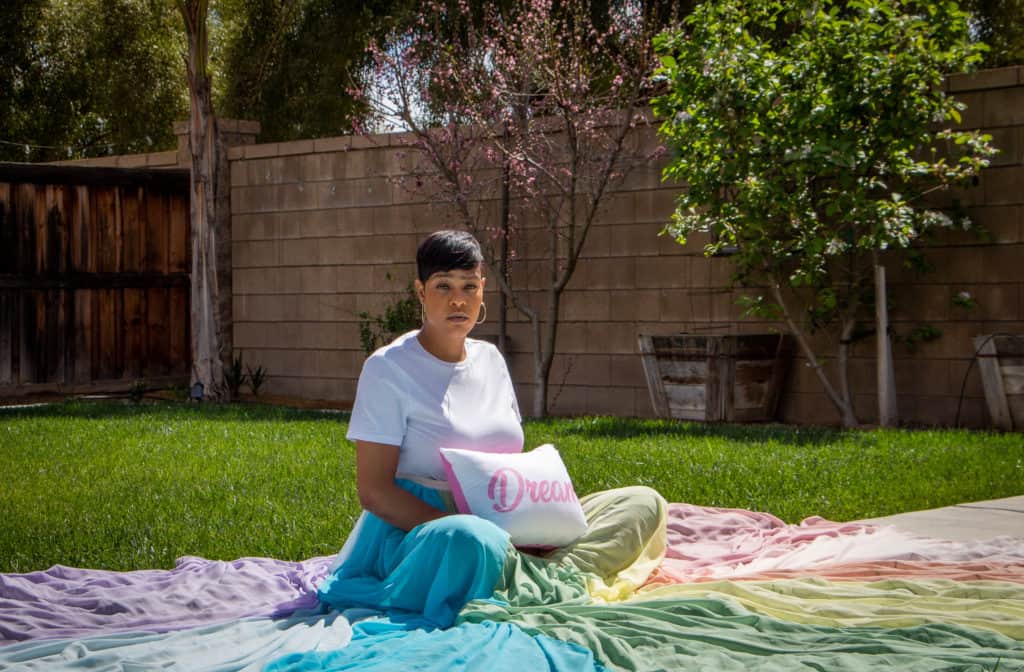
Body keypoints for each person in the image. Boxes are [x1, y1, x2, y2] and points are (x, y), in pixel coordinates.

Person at [317, 230, 666, 627]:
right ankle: (532, 574)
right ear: (420, 291)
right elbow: (375, 492)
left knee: (642, 503)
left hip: (504, 515)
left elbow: (506, 459)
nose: (458, 300)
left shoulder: (491, 359)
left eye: (469, 286)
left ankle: (531, 574)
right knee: (473, 542)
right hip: (428, 532)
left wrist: (535, 522)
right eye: (443, 286)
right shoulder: (388, 368)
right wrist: (487, 535)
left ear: (483, 289)